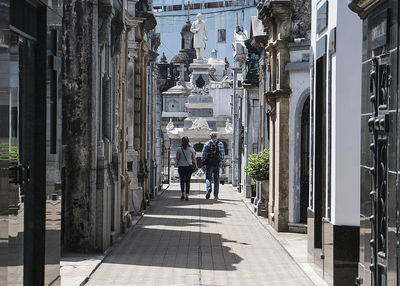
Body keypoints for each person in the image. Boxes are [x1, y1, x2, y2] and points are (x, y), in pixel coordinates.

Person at [202, 132, 225, 199]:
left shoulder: (207, 144)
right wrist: (223, 164)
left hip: (209, 164)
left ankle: (208, 188)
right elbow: (222, 155)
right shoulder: (220, 143)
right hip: (217, 164)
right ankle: (215, 195)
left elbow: (203, 155)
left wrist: (203, 164)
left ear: (210, 136)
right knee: (216, 179)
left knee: (208, 177)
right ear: (216, 136)